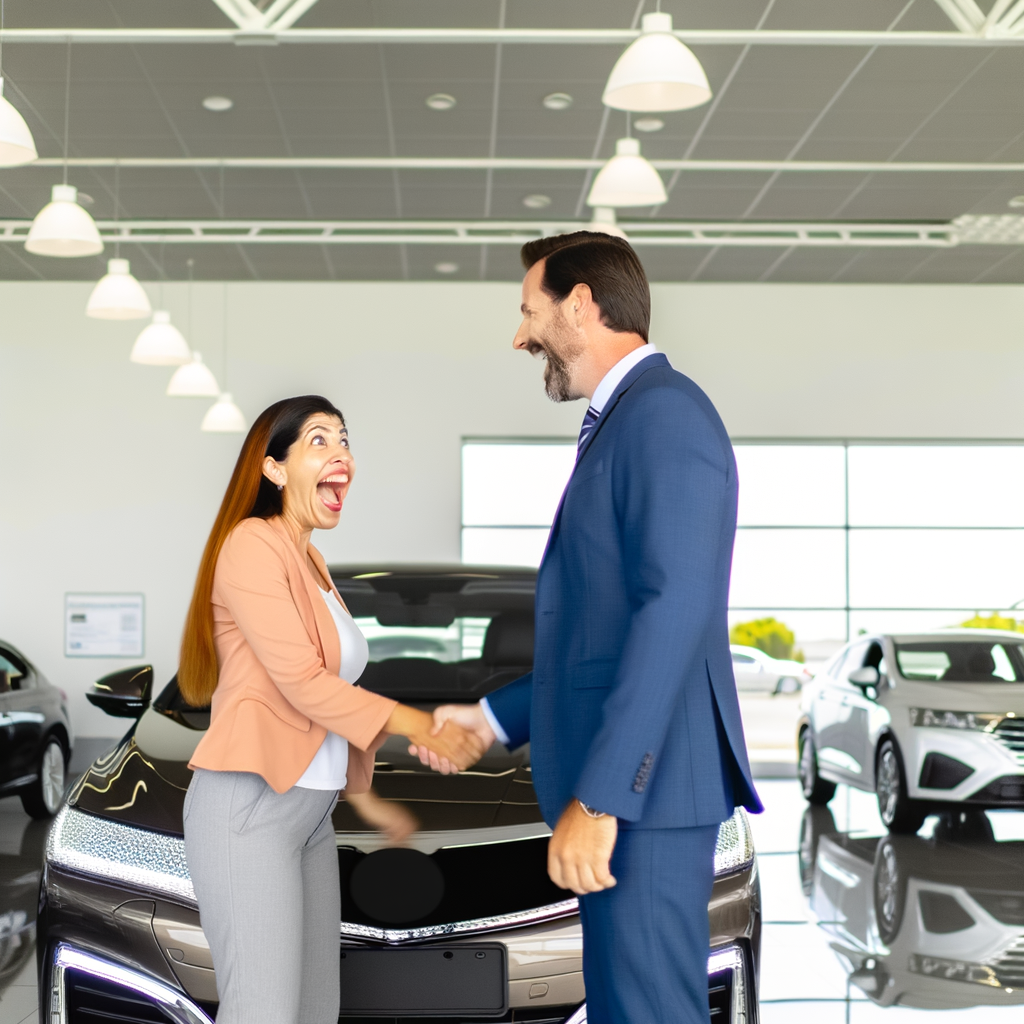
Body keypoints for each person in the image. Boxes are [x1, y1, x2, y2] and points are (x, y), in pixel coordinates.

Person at [425, 234, 764, 1023]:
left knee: (644, 1012)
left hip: (643, 797)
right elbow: (602, 645)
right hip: (641, 793)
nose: (521, 336)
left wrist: (604, 798)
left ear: (581, 303)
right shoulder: (629, 421)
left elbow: (674, 612)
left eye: (528, 310)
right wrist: (491, 716)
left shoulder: (665, 417)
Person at [179, 395, 483, 1024]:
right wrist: (416, 723)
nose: (341, 452)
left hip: (308, 814)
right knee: (261, 1012)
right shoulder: (250, 546)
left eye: (345, 439)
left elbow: (325, 704)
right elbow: (301, 682)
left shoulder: (311, 560)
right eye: (319, 440)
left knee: (317, 1009)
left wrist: (363, 795)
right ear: (273, 469)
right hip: (249, 808)